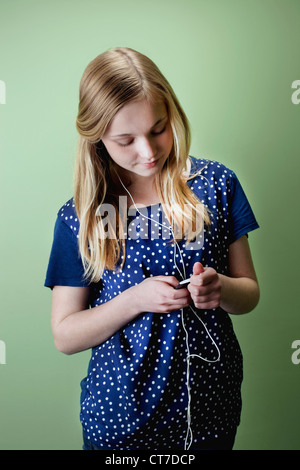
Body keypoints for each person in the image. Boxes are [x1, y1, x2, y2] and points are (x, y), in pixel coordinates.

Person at [44, 47, 260, 451]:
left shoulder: (216, 184)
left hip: (210, 410)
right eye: (125, 140)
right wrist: (136, 300)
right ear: (97, 137)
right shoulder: (82, 215)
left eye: (158, 129)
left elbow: (249, 292)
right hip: (120, 419)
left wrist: (221, 290)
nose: (148, 152)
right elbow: (64, 334)